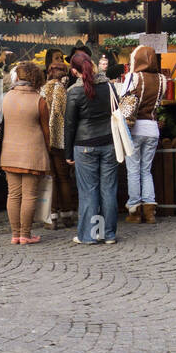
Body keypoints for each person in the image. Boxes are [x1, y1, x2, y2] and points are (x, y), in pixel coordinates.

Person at [65, 50, 117, 245]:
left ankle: (90, 235)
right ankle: (108, 234)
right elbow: (116, 111)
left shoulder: (74, 92)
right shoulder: (109, 87)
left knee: (89, 191)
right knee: (108, 190)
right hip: (109, 143)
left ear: (74, 71)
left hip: (84, 145)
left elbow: (70, 125)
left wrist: (68, 153)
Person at [0, 61, 50, 244]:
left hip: (9, 152)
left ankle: (15, 235)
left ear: (18, 77)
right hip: (32, 154)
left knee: (13, 195)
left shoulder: (6, 97)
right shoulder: (40, 101)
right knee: (29, 195)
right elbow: (46, 130)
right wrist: (49, 149)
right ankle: (26, 234)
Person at [120, 45, 166, 223]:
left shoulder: (133, 77)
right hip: (152, 128)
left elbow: (124, 100)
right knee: (146, 171)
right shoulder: (162, 79)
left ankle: (135, 211)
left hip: (135, 127)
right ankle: (150, 211)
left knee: (133, 171)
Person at [40, 61, 76, 229]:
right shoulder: (62, 90)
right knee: (63, 178)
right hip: (60, 140)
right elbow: (63, 115)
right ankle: (67, 216)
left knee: (51, 178)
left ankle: (52, 217)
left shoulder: (43, 89)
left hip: (45, 139)